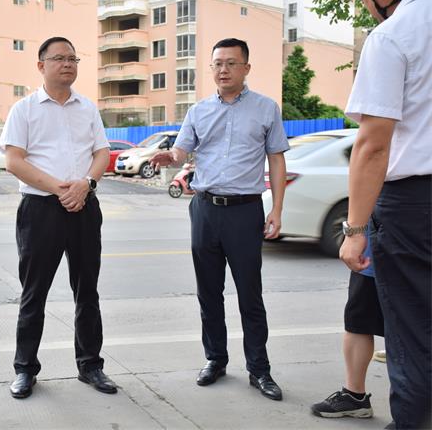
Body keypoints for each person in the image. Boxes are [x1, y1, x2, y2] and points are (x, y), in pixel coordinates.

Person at [150, 38, 289, 401]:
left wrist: (276, 209)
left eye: (231, 63)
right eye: (217, 64)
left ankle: (259, 369)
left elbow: (276, 159)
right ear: (210, 68)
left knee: (250, 294)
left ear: (246, 68)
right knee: (208, 292)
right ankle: (215, 359)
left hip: (245, 210)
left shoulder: (266, 109)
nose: (223, 70)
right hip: (205, 209)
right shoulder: (198, 111)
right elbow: (181, 151)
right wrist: (170, 157)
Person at [339, 0, 432, 428]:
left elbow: (373, 145)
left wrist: (355, 230)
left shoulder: (394, 35)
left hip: (414, 207)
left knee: (414, 331)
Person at [0, 36, 114, 399]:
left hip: (85, 207)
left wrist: (86, 184)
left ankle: (90, 365)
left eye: (73, 59)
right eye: (59, 58)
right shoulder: (24, 109)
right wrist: (60, 188)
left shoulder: (87, 108)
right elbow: (14, 161)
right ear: (41, 65)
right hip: (40, 211)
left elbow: (102, 153)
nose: (67, 64)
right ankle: (25, 369)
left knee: (87, 290)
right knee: (34, 293)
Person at [311, 232, 382, 418]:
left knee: (409, 329)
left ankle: (411, 411)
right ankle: (354, 397)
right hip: (376, 256)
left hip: (389, 250)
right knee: (358, 324)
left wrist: (353, 235)